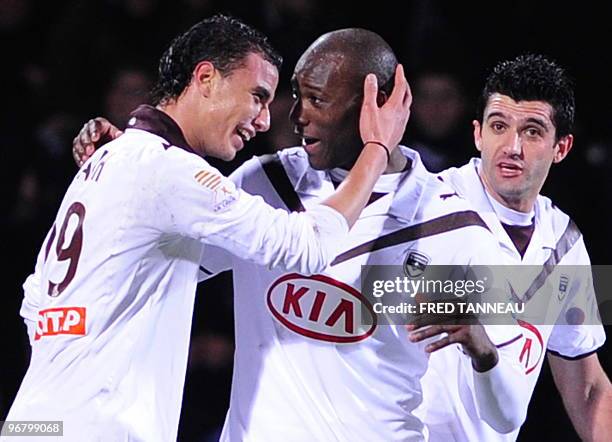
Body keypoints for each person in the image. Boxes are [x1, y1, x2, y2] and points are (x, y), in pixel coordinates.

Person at [72, 28, 529, 441]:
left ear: (379, 104)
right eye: (295, 96)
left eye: (317, 100)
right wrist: (132, 170)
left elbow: (506, 416)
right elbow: (161, 265)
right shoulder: (264, 183)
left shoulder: (454, 223)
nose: (297, 117)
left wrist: (482, 348)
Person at [4, 15, 412, 442]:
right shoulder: (170, 171)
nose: (266, 121)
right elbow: (307, 246)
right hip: (98, 428)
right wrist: (377, 149)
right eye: (257, 96)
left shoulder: (112, 161)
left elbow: (35, 300)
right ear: (206, 78)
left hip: (37, 419)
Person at [415, 54, 610, 441]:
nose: (513, 147)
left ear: (562, 147)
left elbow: (588, 390)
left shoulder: (562, 243)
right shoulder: (425, 209)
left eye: (533, 131)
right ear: (477, 133)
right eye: (499, 126)